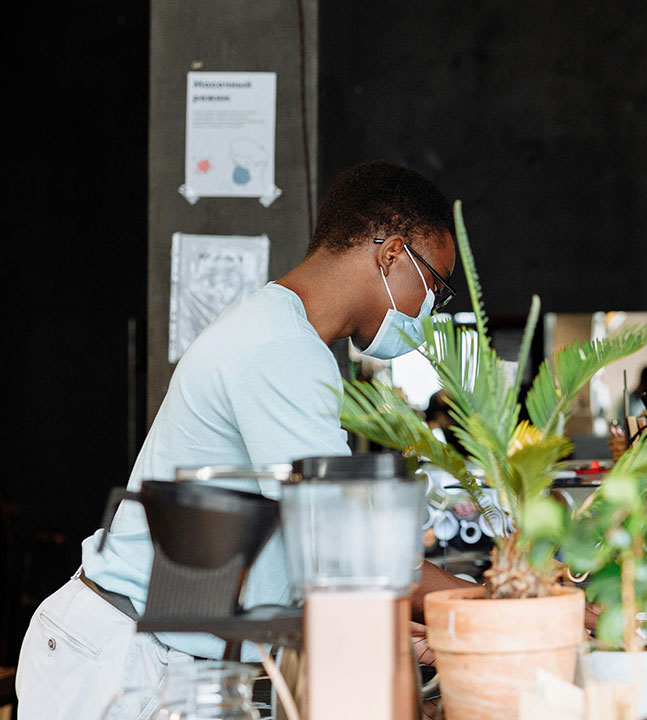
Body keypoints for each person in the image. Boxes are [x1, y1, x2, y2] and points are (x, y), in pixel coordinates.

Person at [16, 161, 476, 719]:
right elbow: (348, 555)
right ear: (392, 254)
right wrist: (496, 605)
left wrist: (399, 627)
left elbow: (299, 556)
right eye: (437, 286)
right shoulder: (281, 348)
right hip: (120, 656)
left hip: (164, 652)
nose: (431, 310)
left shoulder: (281, 332)